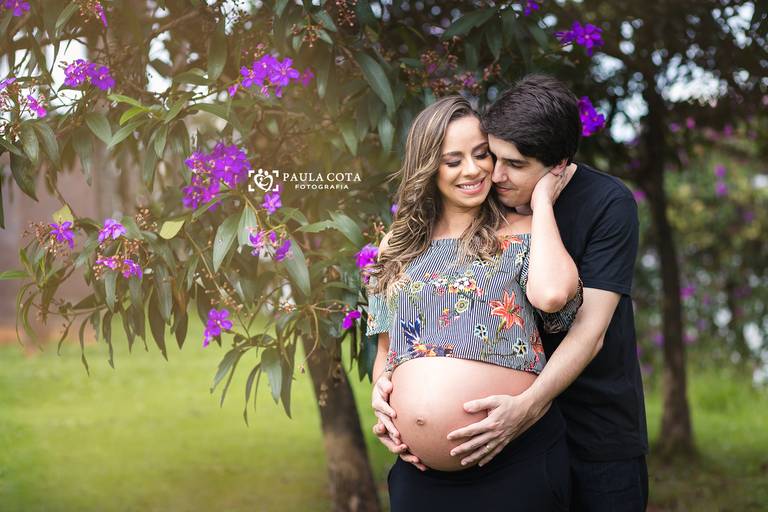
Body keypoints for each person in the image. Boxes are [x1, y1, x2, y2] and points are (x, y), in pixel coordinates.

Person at [372, 74, 649, 511]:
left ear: (557, 165)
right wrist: (383, 395)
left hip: (584, 427)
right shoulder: (425, 234)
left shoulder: (596, 207)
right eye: (490, 156)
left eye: (504, 162)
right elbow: (390, 342)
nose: (489, 173)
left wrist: (527, 408)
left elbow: (581, 324)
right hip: (435, 467)